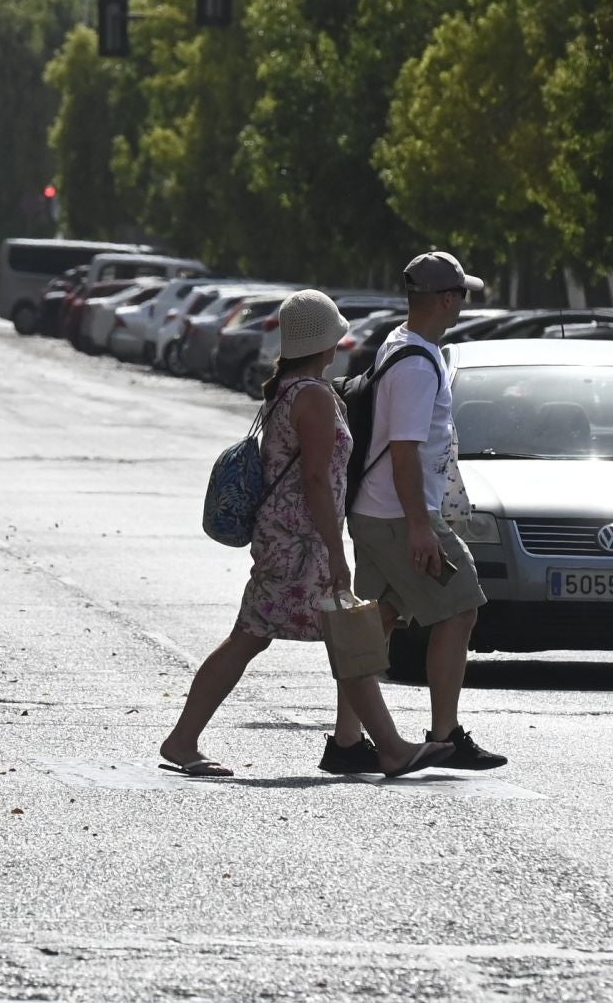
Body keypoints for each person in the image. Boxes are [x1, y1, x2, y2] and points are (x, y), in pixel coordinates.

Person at [159, 291, 452, 779]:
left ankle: (184, 738)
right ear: (326, 340)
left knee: (286, 637)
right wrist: (336, 552)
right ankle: (390, 748)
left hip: (289, 537)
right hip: (300, 542)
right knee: (337, 636)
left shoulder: (294, 388)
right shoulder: (311, 396)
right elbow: (315, 479)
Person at [347, 251, 504, 770]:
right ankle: (444, 734)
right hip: (399, 514)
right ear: (445, 299)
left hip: (378, 510)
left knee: (378, 620)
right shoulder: (417, 363)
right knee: (461, 608)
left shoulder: (402, 342)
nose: (464, 302)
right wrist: (421, 527)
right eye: (461, 294)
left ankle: (347, 743)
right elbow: (404, 450)